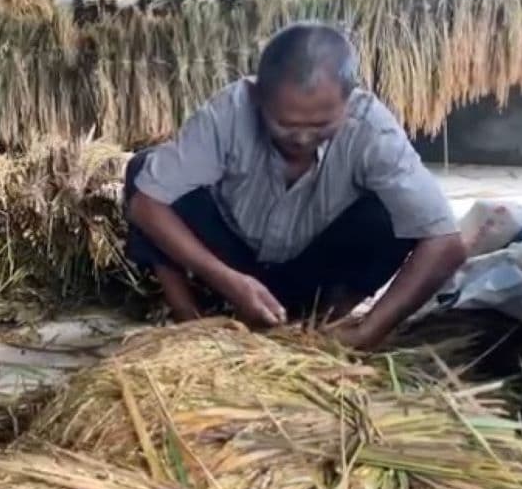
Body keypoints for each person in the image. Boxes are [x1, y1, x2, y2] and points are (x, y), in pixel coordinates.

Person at [124, 22, 467, 349]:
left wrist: (370, 329)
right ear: (258, 96)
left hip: (314, 271)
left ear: (349, 102)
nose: (302, 139)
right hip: (230, 262)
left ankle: (318, 328)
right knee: (145, 170)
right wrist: (227, 279)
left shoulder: (372, 130)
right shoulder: (231, 110)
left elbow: (445, 243)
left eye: (321, 125)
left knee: (392, 213)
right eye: (285, 124)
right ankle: (189, 320)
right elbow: (146, 205)